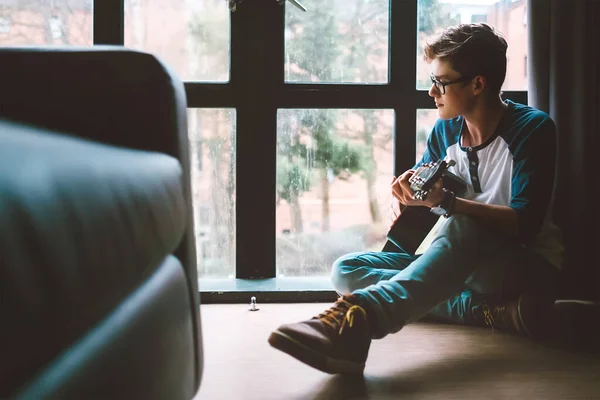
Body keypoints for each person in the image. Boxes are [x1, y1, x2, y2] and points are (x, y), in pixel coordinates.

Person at [268, 23, 564, 375]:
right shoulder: (445, 131)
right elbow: (426, 205)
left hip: (524, 266)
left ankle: (359, 317)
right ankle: (493, 313)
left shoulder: (533, 129)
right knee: (347, 270)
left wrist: (452, 205)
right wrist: (409, 194)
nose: (431, 92)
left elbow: (525, 225)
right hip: (458, 263)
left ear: (477, 84)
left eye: (441, 82)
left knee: (462, 224)